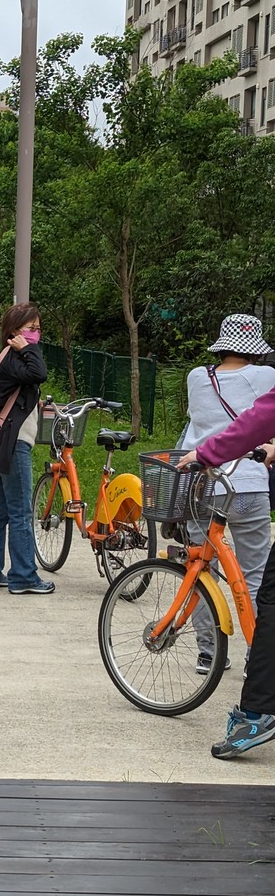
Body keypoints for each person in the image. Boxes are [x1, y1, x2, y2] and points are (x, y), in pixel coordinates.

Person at [178, 378, 275, 759]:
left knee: (270, 599)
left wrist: (206, 454)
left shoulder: (199, 377)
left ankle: (256, 714)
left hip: (225, 485)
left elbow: (256, 420)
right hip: (255, 495)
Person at [181, 314, 275, 675]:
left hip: (203, 481)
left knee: (201, 568)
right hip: (248, 484)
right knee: (255, 573)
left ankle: (209, 653)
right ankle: (258, 651)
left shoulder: (196, 377)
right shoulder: (266, 376)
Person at [0, 303, 55, 596]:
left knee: (1, 511)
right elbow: (39, 372)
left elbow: (26, 386)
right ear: (14, 331)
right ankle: (23, 576)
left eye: (38, 329)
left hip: (3, 443)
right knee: (21, 512)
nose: (36, 334)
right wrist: (27, 349)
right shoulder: (15, 358)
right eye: (30, 329)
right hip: (14, 444)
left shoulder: (9, 359)